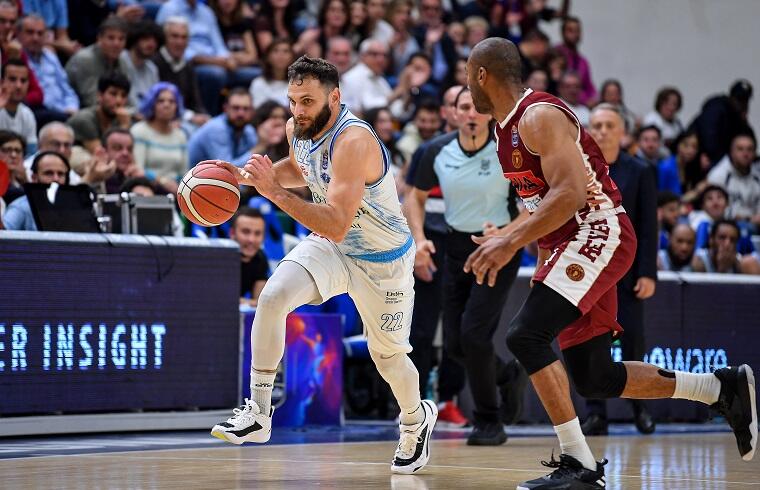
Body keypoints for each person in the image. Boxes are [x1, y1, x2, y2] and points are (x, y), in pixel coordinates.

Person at [464, 38, 756, 489]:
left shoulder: (538, 116)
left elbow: (570, 195)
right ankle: (720, 389)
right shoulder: (505, 132)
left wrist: (509, 243)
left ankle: (578, 464)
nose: (466, 83)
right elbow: (543, 205)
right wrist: (508, 235)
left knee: (525, 335)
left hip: (598, 230)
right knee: (594, 376)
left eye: (467, 74)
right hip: (568, 243)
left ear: (481, 75)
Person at [210, 56, 437, 474]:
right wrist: (245, 177)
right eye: (293, 100)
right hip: (335, 248)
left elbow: (334, 222)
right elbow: (300, 168)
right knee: (274, 296)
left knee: (387, 357)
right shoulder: (298, 126)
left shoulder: (353, 141)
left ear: (335, 97)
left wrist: (271, 192)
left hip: (381, 260)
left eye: (307, 101)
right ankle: (259, 411)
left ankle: (414, 418)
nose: (297, 110)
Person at [404, 87, 524, 445]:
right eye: (463, 107)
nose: (471, 114)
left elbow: (533, 206)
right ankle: (506, 375)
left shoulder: (508, 152)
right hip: (455, 248)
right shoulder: (434, 151)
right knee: (456, 346)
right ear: (452, 113)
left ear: (490, 114)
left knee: (474, 335)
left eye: (478, 108)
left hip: (499, 249)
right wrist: (419, 238)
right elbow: (415, 197)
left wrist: (505, 234)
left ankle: (489, 421)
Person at [584, 103, 658, 436]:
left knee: (633, 343)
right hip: (589, 271)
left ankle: (639, 408)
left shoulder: (639, 171)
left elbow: (648, 226)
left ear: (623, 132)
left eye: (608, 125)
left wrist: (648, 273)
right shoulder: (580, 167)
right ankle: (596, 413)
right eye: (596, 125)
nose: (601, 131)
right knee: (591, 343)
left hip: (627, 274)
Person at [19, 14, 80, 126]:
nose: (35, 38)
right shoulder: (18, 57)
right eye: (30, 32)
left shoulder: (51, 57)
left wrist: (72, 108)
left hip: (64, 112)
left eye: (40, 33)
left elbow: (67, 89)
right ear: (19, 34)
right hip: (38, 112)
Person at [153, 17, 210, 130]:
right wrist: (190, 117)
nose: (180, 42)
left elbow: (196, 102)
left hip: (186, 119)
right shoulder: (154, 63)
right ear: (165, 38)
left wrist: (204, 117)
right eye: (175, 36)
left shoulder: (188, 66)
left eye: (184, 37)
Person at [131, 82, 187, 193]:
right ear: (152, 104)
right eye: (161, 101)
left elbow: (184, 173)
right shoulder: (139, 131)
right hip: (147, 189)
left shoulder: (181, 135)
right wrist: (162, 181)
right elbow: (137, 168)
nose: (166, 105)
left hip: (176, 192)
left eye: (172, 101)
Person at [65, 16, 129, 108]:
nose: (116, 44)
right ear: (99, 38)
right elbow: (92, 100)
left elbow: (126, 95)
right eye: (111, 38)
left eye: (121, 39)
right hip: (80, 111)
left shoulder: (123, 60)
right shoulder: (85, 59)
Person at [689, 79, 755, 165]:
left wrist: (744, 122)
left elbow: (750, 142)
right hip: (702, 157)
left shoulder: (738, 116)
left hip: (721, 158)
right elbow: (709, 140)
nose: (742, 103)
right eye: (739, 99)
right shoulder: (716, 108)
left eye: (745, 100)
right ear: (731, 97)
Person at [187, 88, 257, 168]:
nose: (241, 113)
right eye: (235, 108)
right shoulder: (216, 129)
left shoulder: (249, 130)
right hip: (194, 178)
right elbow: (226, 169)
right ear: (225, 108)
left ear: (252, 111)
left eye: (246, 109)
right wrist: (258, 149)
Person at [2, 151, 69, 231]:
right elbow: (4, 234)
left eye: (60, 174)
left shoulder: (77, 205)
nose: (56, 179)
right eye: (48, 173)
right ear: (34, 178)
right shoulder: (21, 206)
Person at [67, 73, 132, 155]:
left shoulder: (119, 119)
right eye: (113, 94)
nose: (119, 101)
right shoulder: (84, 120)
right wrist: (124, 127)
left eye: (123, 95)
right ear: (99, 95)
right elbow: (102, 155)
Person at [707, 133, 760, 227]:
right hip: (727, 225)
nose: (745, 154)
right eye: (740, 149)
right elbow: (713, 209)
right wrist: (747, 219)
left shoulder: (757, 175)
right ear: (731, 152)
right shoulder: (719, 175)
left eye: (749, 149)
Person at [229, 206, 270, 307]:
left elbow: (260, 303)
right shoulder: (218, 258)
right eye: (246, 232)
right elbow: (216, 299)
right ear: (232, 233)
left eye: (257, 233)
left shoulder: (260, 258)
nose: (251, 239)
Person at [692, 219, 760, 275]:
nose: (727, 244)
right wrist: (721, 270)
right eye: (722, 238)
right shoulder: (700, 261)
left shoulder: (742, 263)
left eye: (732, 240)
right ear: (711, 239)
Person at [554, 16, 596, 106]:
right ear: (562, 33)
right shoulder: (555, 55)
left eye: (577, 31)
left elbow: (590, 88)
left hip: (579, 107)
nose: (574, 34)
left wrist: (593, 100)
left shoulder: (583, 62)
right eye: (570, 30)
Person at [120, 20, 162, 108]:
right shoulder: (120, 61)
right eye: (146, 39)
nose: (151, 44)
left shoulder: (152, 69)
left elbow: (155, 99)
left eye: (155, 41)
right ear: (135, 38)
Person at [0, 60, 38, 154]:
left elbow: (31, 153)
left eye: (23, 80)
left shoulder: (28, 114)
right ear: (1, 82)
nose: (18, 86)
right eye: (12, 79)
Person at [249, 38, 294, 109]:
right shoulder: (258, 83)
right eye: (276, 51)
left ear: (292, 57)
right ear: (268, 57)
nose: (281, 55)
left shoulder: (299, 85)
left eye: (286, 51)